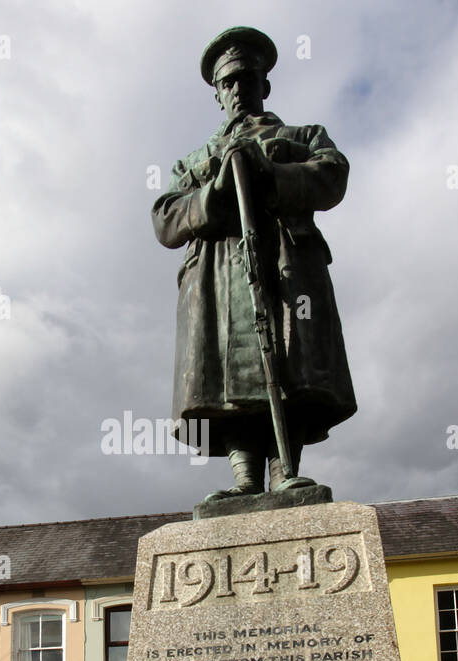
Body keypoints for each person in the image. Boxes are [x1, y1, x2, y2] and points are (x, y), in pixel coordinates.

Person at [152, 26, 357, 503]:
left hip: (285, 263)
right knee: (229, 378)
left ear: (264, 84)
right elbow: (165, 220)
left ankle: (286, 470)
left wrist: (272, 175)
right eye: (228, 82)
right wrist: (213, 195)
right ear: (217, 95)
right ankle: (244, 479)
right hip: (219, 276)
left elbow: (331, 177)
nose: (238, 89)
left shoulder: (302, 137)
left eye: (247, 78)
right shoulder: (194, 160)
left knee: (290, 366)